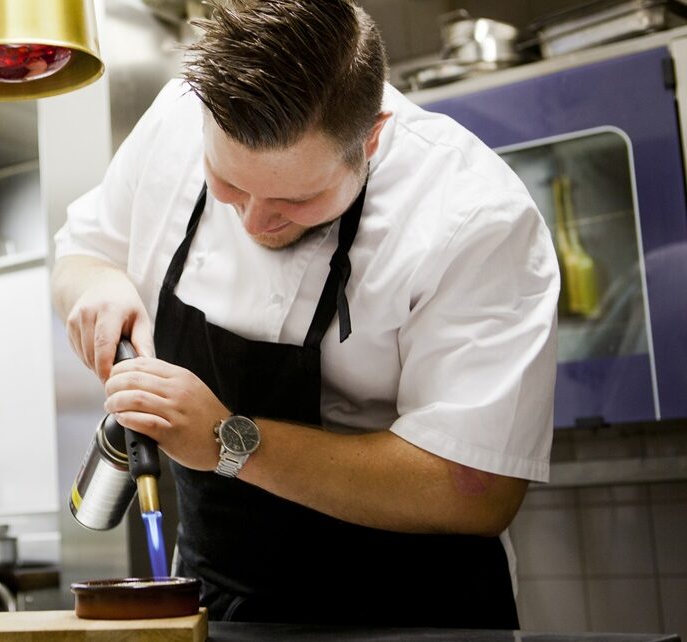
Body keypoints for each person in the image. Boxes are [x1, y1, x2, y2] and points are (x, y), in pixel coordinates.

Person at [52, 0, 558, 629]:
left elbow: (472, 489)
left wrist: (225, 441)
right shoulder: (176, 119)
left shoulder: (472, 216)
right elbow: (83, 253)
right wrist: (96, 289)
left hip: (412, 614)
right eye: (227, 184)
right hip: (220, 605)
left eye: (297, 199)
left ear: (369, 136)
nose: (256, 222)